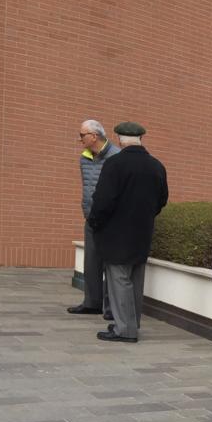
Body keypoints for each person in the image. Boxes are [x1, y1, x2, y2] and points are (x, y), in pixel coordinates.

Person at [88, 121, 168, 343]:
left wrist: (95, 222)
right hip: (142, 232)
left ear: (120, 140)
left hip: (116, 233)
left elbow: (102, 201)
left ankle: (124, 329)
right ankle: (131, 323)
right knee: (135, 280)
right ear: (141, 139)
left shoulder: (114, 164)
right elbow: (162, 200)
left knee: (119, 280)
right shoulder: (157, 166)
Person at [68, 119, 119, 317]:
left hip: (111, 220)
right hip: (91, 217)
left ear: (94, 136)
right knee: (91, 262)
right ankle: (92, 303)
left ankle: (111, 309)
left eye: (82, 135)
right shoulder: (84, 158)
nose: (79, 139)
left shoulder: (116, 157)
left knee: (111, 265)